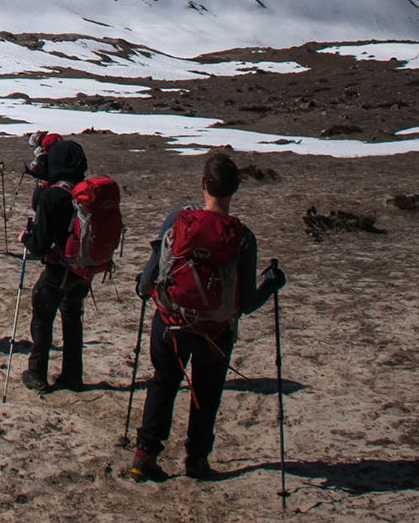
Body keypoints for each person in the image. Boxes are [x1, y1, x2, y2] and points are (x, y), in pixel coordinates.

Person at [130, 152, 286, 482]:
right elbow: (244, 303)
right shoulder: (243, 237)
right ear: (236, 189)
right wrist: (271, 284)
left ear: (202, 184)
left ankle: (144, 455)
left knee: (163, 382)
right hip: (216, 331)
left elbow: (153, 272)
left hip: (170, 323)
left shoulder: (177, 220)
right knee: (207, 391)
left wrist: (145, 289)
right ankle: (197, 460)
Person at [20, 138, 92, 393]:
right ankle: (73, 376)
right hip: (84, 271)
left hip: (58, 269)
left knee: (42, 318)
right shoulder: (89, 192)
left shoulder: (53, 195)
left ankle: (37, 373)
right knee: (72, 319)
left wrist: (26, 238)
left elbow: (39, 245)